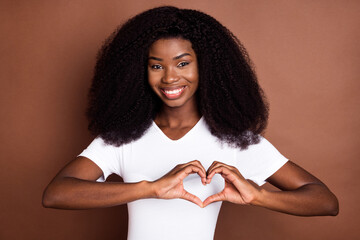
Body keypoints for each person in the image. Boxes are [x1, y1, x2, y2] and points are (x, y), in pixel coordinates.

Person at [42, 6, 339, 240]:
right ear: (138, 71)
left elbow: (325, 201)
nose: (170, 77)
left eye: (183, 63)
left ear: (206, 65)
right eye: (156, 66)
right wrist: (150, 188)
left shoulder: (233, 141)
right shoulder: (123, 138)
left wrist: (258, 196)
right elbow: (56, 194)